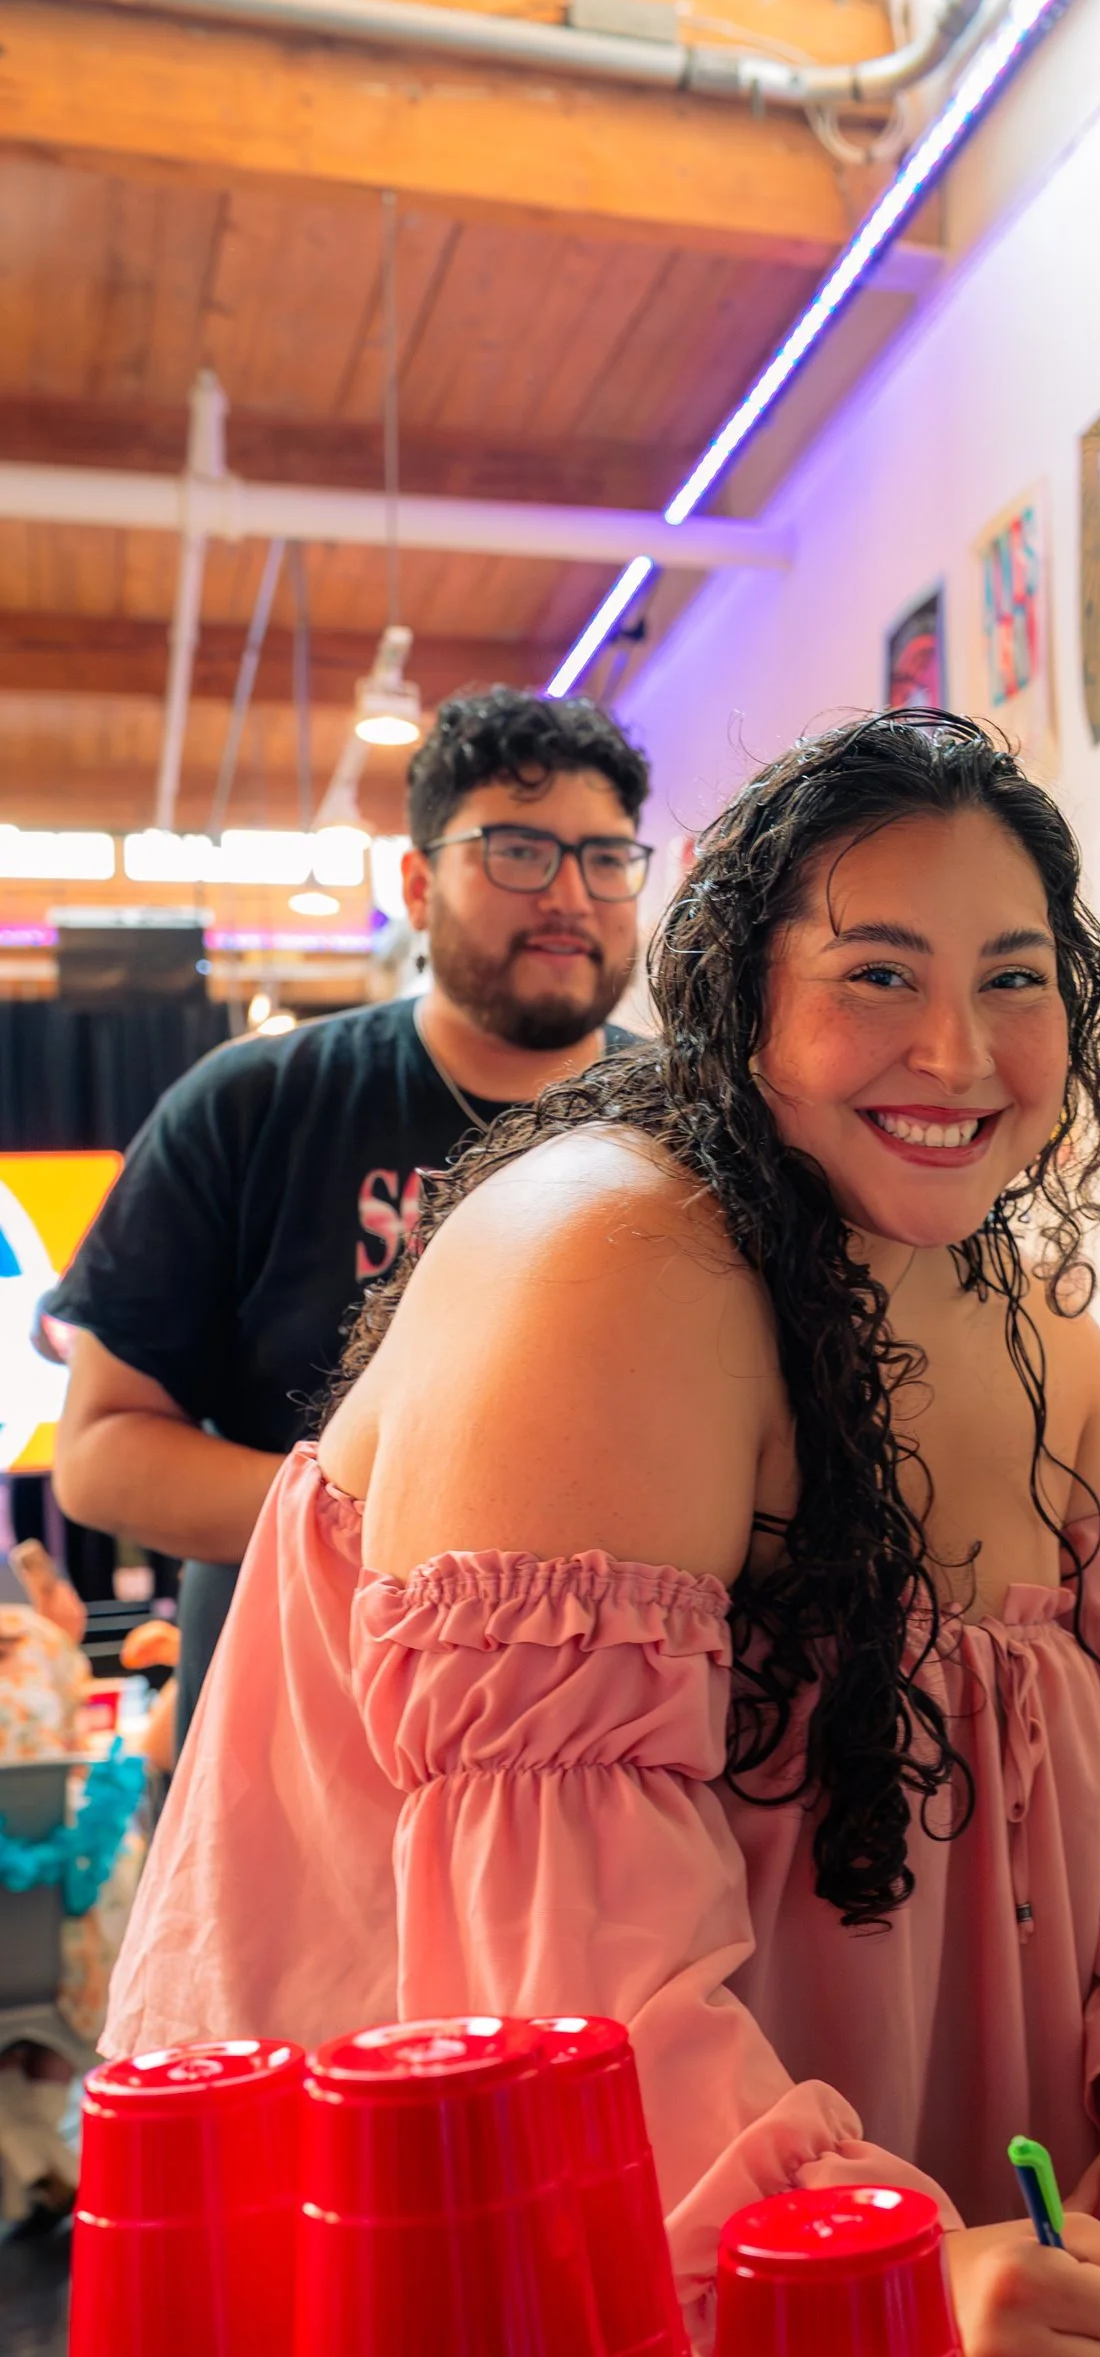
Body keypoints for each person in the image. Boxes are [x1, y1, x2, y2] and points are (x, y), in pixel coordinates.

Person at [105, 713, 1100, 2357]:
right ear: (737, 1000)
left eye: (1014, 977)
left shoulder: (1028, 1313)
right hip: (539, 2290)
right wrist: (870, 2280)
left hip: (961, 2315)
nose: (956, 1047)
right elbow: (564, 1987)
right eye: (875, 973)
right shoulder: (610, 1261)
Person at [49, 689, 654, 1741]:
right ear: (418, 885)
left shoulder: (697, 1130)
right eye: (518, 851)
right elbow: (101, 1454)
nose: (570, 895)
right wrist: (408, 1524)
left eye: (605, 858)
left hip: (593, 1732)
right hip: (287, 1714)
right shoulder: (253, 1105)